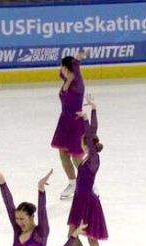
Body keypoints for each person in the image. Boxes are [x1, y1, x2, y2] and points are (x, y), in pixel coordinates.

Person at [67, 96, 108, 246]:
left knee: (91, 238)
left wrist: (87, 117)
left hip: (89, 202)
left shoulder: (93, 159)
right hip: (79, 201)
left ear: (86, 144)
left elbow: (92, 136)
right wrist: (93, 109)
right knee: (71, 236)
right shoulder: (85, 160)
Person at [51, 50, 90, 200]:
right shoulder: (66, 78)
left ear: (67, 68)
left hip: (75, 122)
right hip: (64, 122)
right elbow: (61, 73)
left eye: (62, 66)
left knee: (76, 157)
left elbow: (74, 67)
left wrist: (78, 59)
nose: (60, 69)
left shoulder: (77, 83)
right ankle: (72, 183)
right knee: (63, 154)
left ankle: (89, 183)